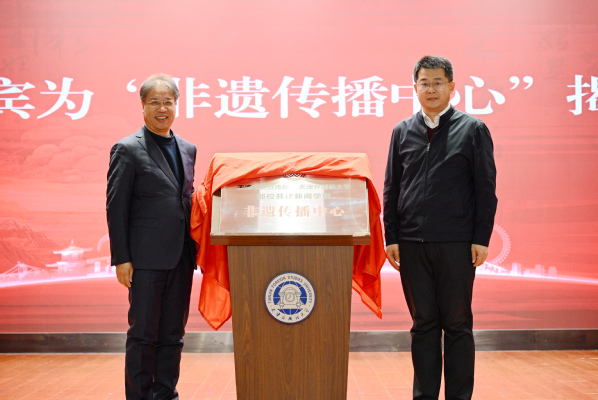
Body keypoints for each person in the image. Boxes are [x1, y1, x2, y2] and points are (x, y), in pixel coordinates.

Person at [383, 56, 497, 400]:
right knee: (423, 325)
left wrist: (481, 237)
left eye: (437, 82)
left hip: (456, 243)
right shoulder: (402, 131)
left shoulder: (472, 129)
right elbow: (392, 187)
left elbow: (485, 189)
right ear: (415, 87)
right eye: (424, 83)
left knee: (458, 325)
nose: (430, 89)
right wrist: (392, 236)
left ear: (451, 86)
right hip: (412, 244)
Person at [106, 73, 197, 400]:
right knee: (143, 335)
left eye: (168, 102)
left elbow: (185, 198)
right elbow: (116, 207)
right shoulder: (128, 149)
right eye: (155, 102)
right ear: (143, 105)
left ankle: (166, 395)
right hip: (145, 260)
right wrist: (122, 258)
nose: (162, 109)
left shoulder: (188, 149)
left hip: (181, 257)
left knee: (173, 335)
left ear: (177, 105)